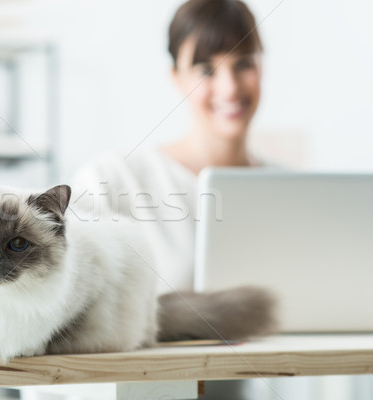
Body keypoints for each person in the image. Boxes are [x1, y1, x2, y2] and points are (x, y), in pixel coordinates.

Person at [70, 0, 264, 297]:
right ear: (176, 78)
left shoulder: (296, 189)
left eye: (244, 64)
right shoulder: (112, 179)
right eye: (206, 70)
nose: (230, 88)